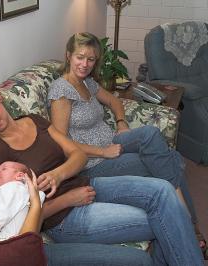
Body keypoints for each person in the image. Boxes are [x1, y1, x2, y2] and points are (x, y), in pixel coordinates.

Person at [0, 67, 204, 265]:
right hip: (65, 218)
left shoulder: (34, 121)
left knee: (163, 191)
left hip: (86, 182)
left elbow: (77, 154)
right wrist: (67, 198)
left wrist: (57, 174)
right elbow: (15, 217)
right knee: (168, 215)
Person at [0, 115, 153, 266]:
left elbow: (19, 178)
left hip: (39, 245)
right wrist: (36, 205)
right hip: (31, 256)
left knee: (141, 258)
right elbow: (15, 256)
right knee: (138, 261)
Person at [47, 32, 206, 255]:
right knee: (173, 159)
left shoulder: (87, 82)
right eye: (80, 57)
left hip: (112, 140)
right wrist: (103, 152)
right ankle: (190, 225)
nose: (85, 64)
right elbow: (62, 142)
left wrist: (121, 122)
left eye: (91, 59)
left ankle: (187, 222)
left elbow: (113, 100)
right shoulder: (61, 91)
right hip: (92, 162)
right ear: (68, 56)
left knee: (150, 135)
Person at [0, 161, 46, 239]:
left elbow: (6, 209)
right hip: (16, 235)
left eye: (4, 169)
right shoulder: (12, 189)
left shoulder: (14, 187)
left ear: (19, 176)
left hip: (10, 237)